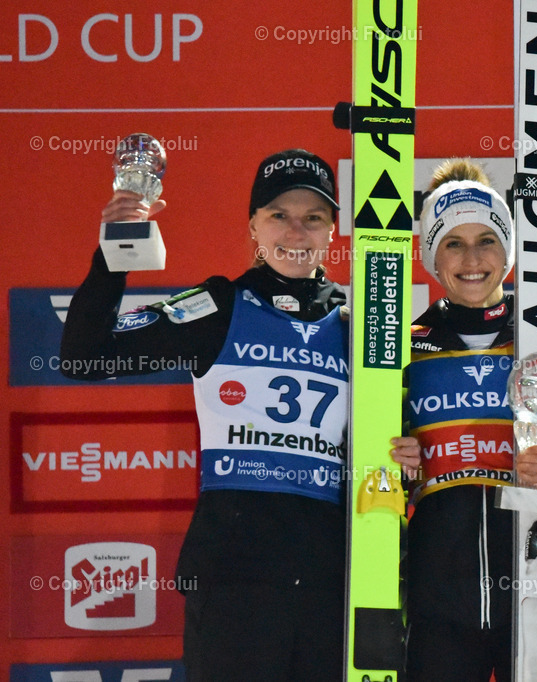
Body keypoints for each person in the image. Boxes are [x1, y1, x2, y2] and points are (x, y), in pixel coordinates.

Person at [60, 149, 417, 681]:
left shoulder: (361, 325)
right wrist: (114, 256)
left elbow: (393, 452)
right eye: (278, 216)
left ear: (332, 231)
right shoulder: (217, 306)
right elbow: (85, 355)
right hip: (235, 585)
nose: (296, 232)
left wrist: (406, 465)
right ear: (253, 223)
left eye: (313, 218)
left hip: (332, 584)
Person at [401, 159, 537, 682]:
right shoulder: (401, 354)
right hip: (438, 606)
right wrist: (397, 471)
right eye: (452, 243)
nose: (472, 258)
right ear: (431, 256)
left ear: (510, 249)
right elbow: (369, 479)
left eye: (487, 240)